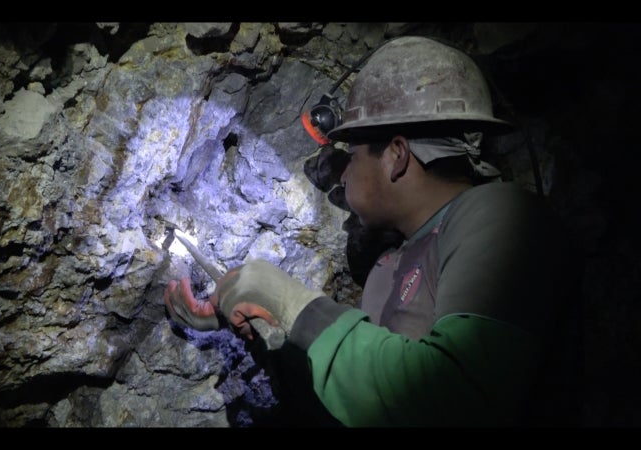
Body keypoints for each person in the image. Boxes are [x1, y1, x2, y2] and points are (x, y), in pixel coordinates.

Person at [165, 36, 579, 426]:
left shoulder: (502, 213)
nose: (343, 173)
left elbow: (460, 397)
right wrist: (264, 331)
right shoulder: (388, 270)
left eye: (353, 154)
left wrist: (298, 309)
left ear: (396, 155)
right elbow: (365, 403)